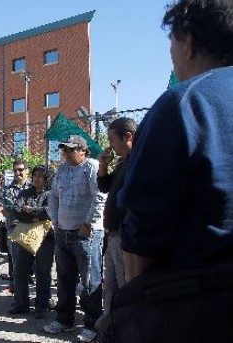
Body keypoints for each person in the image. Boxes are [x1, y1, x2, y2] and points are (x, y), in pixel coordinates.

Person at [112, 1, 233, 341]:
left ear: (188, 42)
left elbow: (143, 232)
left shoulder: (185, 104)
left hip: (196, 309)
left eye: (171, 47)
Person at [45, 135, 106, 343]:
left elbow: (100, 196)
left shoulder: (91, 167)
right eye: (64, 149)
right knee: (64, 279)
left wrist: (89, 223)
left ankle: (92, 324)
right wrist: (55, 220)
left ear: (83, 151)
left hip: (86, 234)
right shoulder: (61, 170)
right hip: (63, 231)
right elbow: (53, 196)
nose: (66, 153)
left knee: (90, 281)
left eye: (70, 150)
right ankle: (64, 320)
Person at [92, 118, 136, 339]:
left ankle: (126, 332)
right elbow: (104, 186)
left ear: (128, 136)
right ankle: (108, 329)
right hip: (112, 237)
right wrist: (103, 165)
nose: (110, 145)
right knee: (110, 288)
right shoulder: (122, 162)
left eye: (111, 139)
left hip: (125, 236)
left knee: (125, 289)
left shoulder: (139, 162)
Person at [8, 165, 55, 319]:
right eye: (35, 175)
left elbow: (49, 211)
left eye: (40, 175)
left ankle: (41, 306)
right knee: (20, 270)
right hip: (26, 235)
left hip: (46, 238)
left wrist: (33, 212)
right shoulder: (24, 192)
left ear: (47, 178)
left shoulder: (51, 193)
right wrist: (36, 215)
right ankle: (21, 304)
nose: (36, 178)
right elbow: (16, 210)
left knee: (43, 272)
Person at [1, 159, 31, 294]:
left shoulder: (34, 187)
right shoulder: (8, 189)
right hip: (15, 226)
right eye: (15, 170)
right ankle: (18, 293)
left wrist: (31, 209)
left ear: (27, 171)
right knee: (16, 261)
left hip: (33, 227)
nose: (17, 173)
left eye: (21, 170)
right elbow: (10, 207)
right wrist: (29, 209)